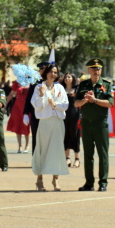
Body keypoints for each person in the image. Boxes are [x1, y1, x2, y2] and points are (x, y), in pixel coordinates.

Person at [74, 58, 113, 192]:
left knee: (102, 154)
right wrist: (86, 100)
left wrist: (95, 100)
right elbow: (76, 103)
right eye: (94, 69)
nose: (96, 71)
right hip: (87, 123)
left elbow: (110, 103)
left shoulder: (106, 85)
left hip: (100, 124)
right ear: (89, 70)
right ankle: (89, 182)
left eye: (99, 69)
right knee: (88, 154)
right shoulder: (83, 85)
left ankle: (103, 182)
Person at [30, 63, 69, 191]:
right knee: (42, 149)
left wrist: (55, 104)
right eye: (51, 72)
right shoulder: (38, 87)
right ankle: (39, 180)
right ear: (46, 73)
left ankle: (55, 179)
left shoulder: (60, 88)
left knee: (57, 150)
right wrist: (42, 95)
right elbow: (36, 105)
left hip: (58, 121)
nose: (53, 74)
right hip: (45, 122)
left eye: (55, 72)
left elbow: (65, 104)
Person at [61, 72, 81, 168]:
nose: (67, 78)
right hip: (64, 115)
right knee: (65, 135)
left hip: (75, 115)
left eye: (69, 77)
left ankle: (77, 158)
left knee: (75, 135)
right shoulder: (61, 89)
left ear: (73, 78)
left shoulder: (77, 89)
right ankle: (67, 157)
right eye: (65, 77)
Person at [6, 80, 30, 154]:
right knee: (18, 125)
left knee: (26, 126)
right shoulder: (16, 83)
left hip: (27, 107)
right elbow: (11, 94)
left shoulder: (31, 82)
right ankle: (20, 146)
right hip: (17, 107)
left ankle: (27, 145)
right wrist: (5, 104)